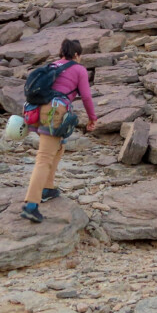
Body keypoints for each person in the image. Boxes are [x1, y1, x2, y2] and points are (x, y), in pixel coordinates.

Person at [20, 39, 98, 223]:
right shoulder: (79, 69)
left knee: (59, 147)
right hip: (54, 112)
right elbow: (86, 96)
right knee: (44, 157)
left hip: (36, 111)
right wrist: (92, 118)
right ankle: (31, 205)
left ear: (62, 53)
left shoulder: (52, 66)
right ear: (77, 54)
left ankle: (47, 188)